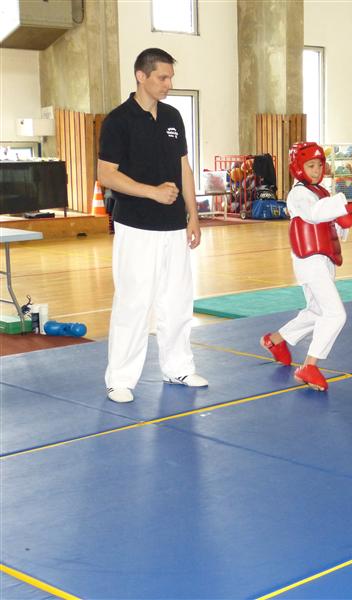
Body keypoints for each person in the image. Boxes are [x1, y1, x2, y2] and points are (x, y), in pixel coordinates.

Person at [98, 48, 207, 404]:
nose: (168, 84)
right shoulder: (118, 121)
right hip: (137, 227)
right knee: (133, 302)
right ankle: (120, 379)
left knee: (177, 301)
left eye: (171, 77)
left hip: (174, 227)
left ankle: (178, 367)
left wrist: (193, 215)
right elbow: (106, 175)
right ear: (141, 76)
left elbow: (184, 168)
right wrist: (152, 192)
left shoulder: (174, 116)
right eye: (162, 77)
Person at [260, 142, 352, 391]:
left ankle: (275, 340)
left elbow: (331, 222)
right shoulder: (298, 194)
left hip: (323, 258)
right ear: (298, 167)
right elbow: (314, 214)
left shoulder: (320, 191)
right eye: (310, 165)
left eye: (319, 165)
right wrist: (348, 206)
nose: (316, 170)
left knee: (317, 311)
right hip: (310, 262)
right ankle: (309, 366)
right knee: (335, 314)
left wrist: (347, 216)